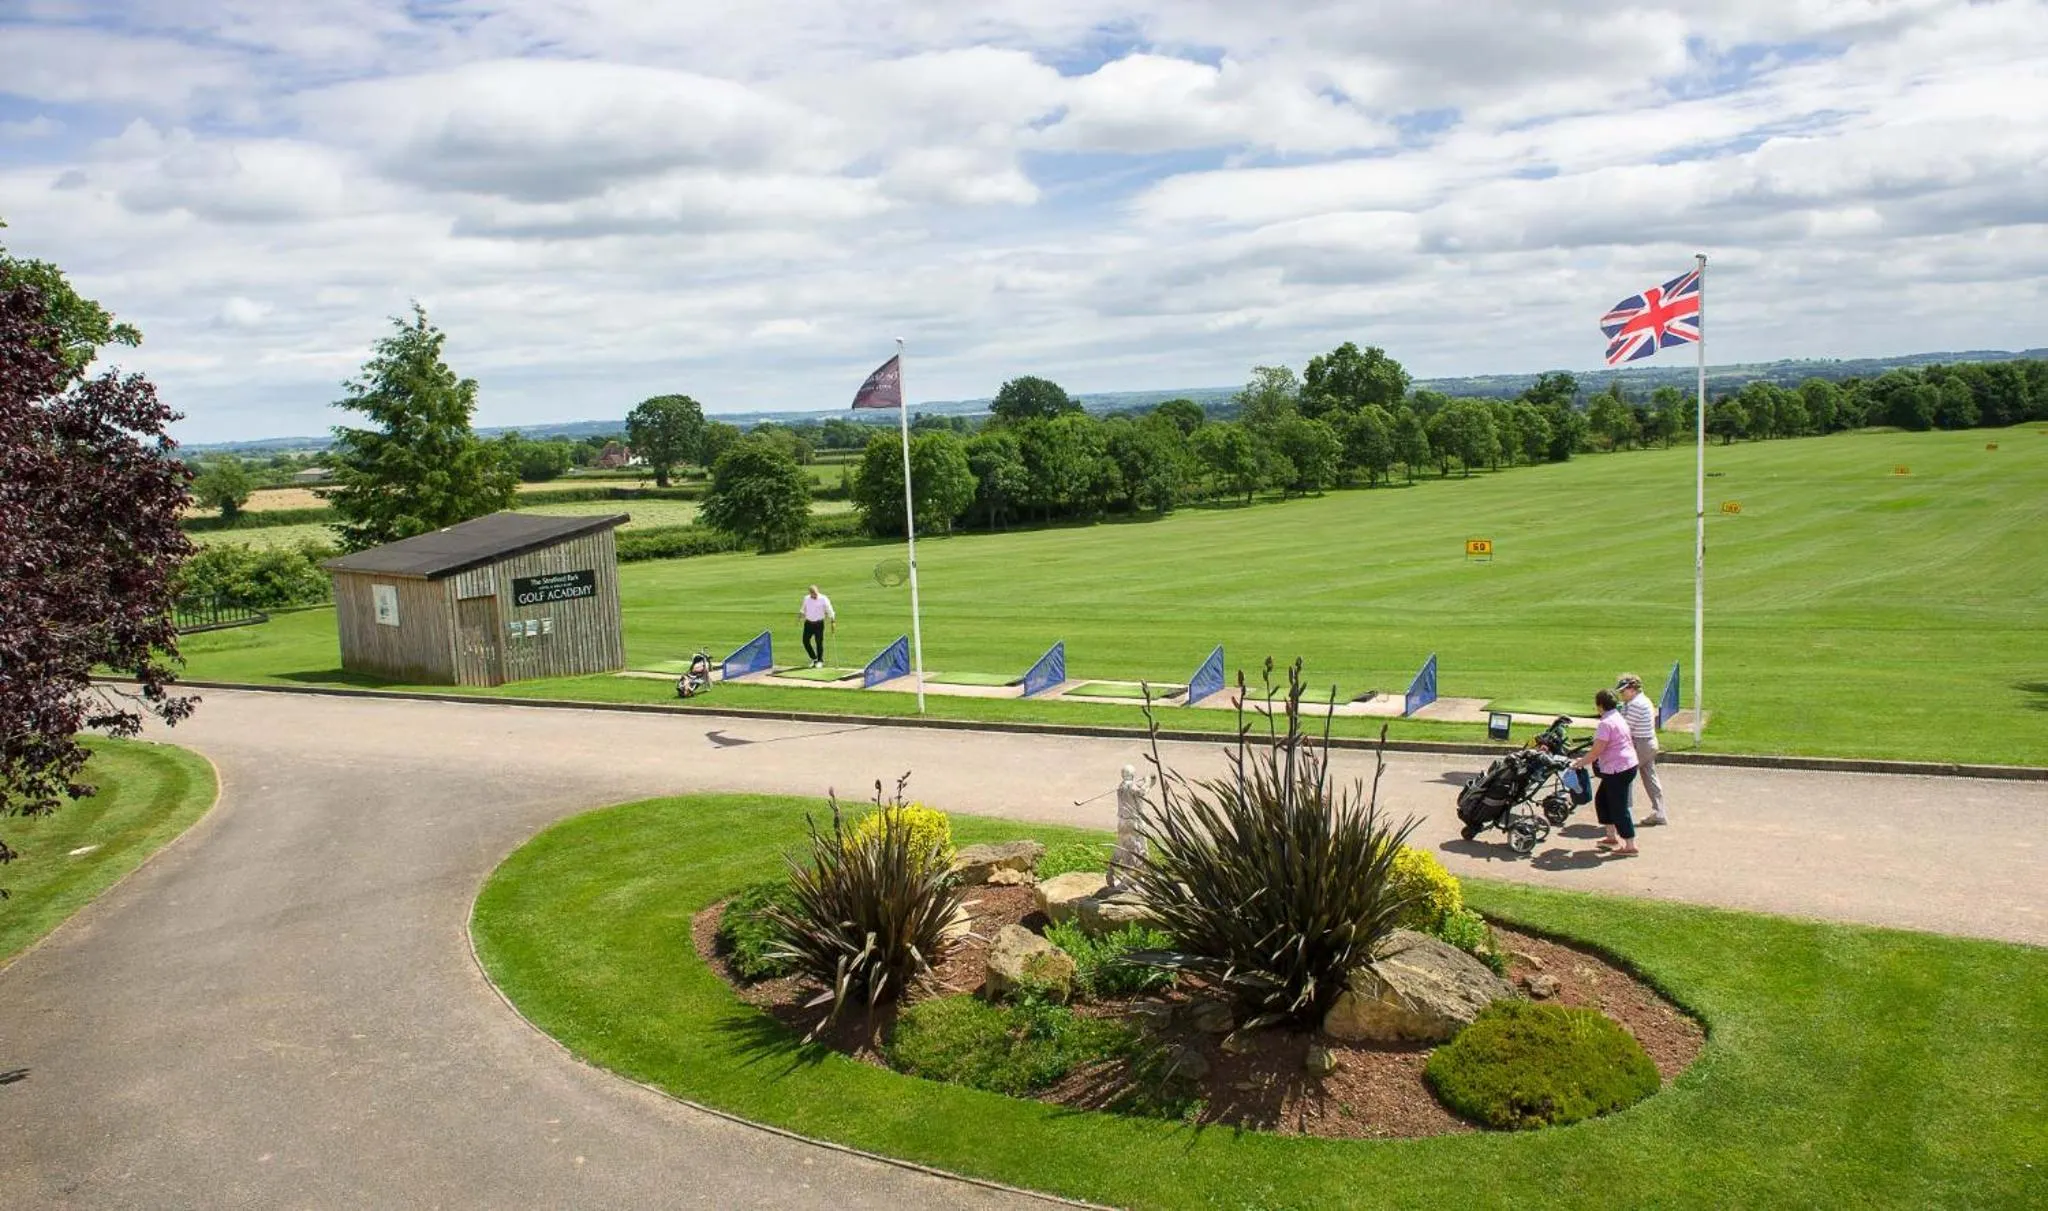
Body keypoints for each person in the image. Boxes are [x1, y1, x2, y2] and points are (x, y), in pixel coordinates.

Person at [1573, 688, 1641, 856]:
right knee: (1602, 800)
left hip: (1618, 769)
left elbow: (1597, 750)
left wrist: (1580, 763)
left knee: (1618, 807)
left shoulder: (1605, 723)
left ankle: (1630, 845)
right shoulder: (1617, 717)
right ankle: (1611, 837)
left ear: (1600, 706)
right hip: (1624, 765)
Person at [1615, 673, 1668, 825]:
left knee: (1625, 775)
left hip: (1641, 744)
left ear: (1632, 689)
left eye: (1623, 691)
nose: (1621, 694)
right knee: (1649, 776)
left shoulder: (1635, 704)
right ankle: (1659, 812)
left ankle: (1626, 814)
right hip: (1648, 743)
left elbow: (1624, 728)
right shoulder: (1640, 701)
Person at [797, 584, 835, 667]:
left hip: (819, 624)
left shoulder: (823, 599)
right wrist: (800, 615)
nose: (814, 595)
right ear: (810, 593)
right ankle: (814, 659)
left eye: (815, 593)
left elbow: (829, 609)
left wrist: (832, 620)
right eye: (813, 593)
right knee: (805, 641)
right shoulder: (806, 598)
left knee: (819, 642)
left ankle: (820, 660)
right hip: (808, 623)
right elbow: (803, 608)